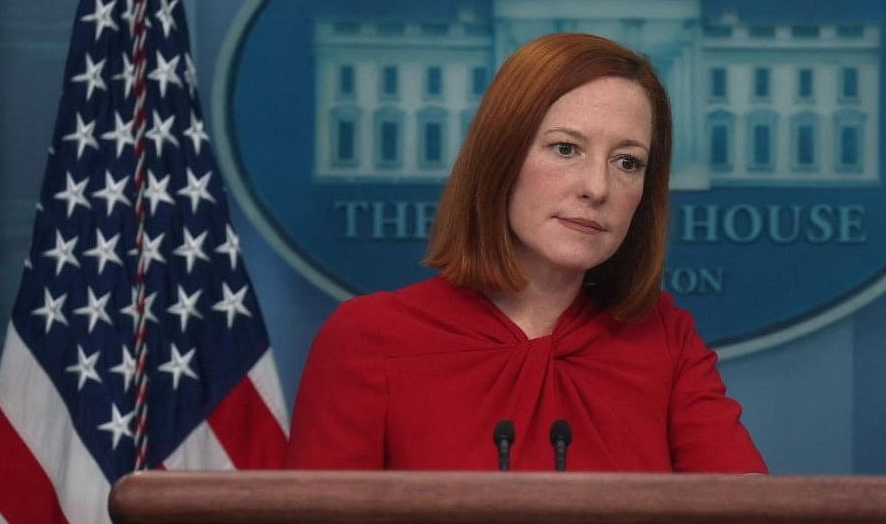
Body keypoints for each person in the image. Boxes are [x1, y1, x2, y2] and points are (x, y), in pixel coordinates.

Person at [287, 33, 766, 472]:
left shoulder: (666, 339)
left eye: (627, 162)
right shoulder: (369, 339)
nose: (597, 187)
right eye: (565, 149)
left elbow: (749, 510)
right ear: (501, 158)